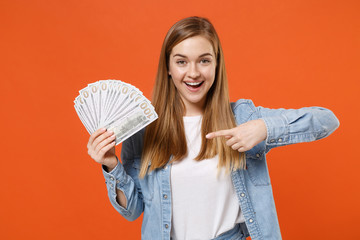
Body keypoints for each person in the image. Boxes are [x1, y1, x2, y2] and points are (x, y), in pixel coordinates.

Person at [86, 16, 339, 240]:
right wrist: (111, 164)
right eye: (182, 61)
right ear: (168, 68)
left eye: (204, 61)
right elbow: (132, 211)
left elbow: (327, 120)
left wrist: (264, 128)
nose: (193, 73)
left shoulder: (242, 117)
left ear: (216, 66)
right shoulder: (145, 129)